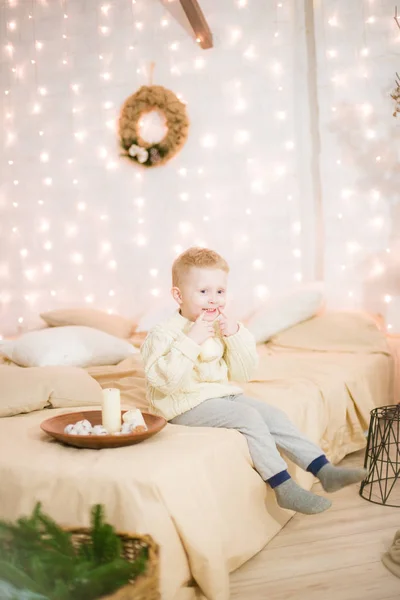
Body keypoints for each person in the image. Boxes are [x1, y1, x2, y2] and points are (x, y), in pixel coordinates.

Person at [140, 247, 366, 514]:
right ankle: (284, 487)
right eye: (203, 292)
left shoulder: (216, 327)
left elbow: (242, 374)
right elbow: (164, 382)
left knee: (273, 415)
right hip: (183, 404)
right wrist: (192, 341)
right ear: (179, 295)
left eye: (220, 292)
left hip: (219, 395)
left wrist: (234, 335)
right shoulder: (162, 334)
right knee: (249, 418)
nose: (214, 300)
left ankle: (323, 469)